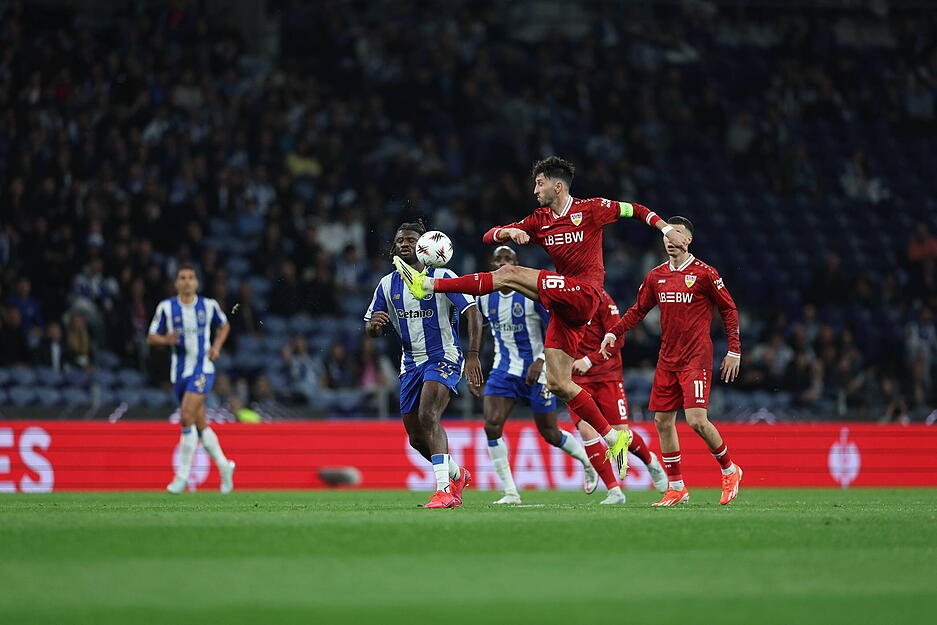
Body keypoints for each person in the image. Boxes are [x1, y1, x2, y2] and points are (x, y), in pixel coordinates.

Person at [393, 156, 689, 475]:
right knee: (560, 382)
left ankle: (430, 284)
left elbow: (636, 210)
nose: (534, 189)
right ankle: (613, 437)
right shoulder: (539, 220)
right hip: (565, 307)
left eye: (539, 183)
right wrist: (509, 232)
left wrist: (666, 228)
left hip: (587, 293)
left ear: (556, 185)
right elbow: (487, 236)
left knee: (509, 273)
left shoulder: (592, 209)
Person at [600, 217, 742, 506]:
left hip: (696, 358)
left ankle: (730, 470)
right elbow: (638, 310)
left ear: (688, 240)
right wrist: (613, 333)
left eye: (676, 233)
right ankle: (677, 487)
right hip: (667, 358)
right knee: (662, 421)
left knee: (696, 420)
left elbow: (729, 309)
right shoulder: (656, 276)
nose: (669, 238)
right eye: (666, 233)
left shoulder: (705, 274)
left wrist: (734, 350)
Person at [365, 221, 483, 509]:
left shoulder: (442, 276)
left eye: (410, 239)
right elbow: (370, 324)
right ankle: (458, 474)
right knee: (417, 438)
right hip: (410, 365)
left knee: (429, 416)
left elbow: (473, 314)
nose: (404, 244)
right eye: (400, 240)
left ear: (423, 245)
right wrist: (375, 327)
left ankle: (444, 491)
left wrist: (473, 354)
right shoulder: (387, 284)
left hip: (444, 357)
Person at [470, 245, 598, 505]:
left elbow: (555, 324)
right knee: (492, 425)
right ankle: (510, 492)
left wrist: (541, 360)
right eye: (498, 259)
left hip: (537, 372)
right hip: (503, 370)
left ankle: (586, 462)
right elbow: (479, 331)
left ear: (516, 265)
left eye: (509, 259)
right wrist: (473, 361)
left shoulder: (530, 294)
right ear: (491, 264)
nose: (503, 262)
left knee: (549, 432)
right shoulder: (484, 297)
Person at [570, 288, 669, 504]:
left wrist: (589, 360)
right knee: (587, 431)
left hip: (607, 376)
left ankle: (650, 461)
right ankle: (614, 491)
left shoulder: (604, 301)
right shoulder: (565, 298)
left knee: (620, 435)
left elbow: (618, 340)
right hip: (576, 379)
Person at [147, 263, 236, 495]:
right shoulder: (166, 308)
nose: (186, 281)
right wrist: (166, 340)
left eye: (190, 277)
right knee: (199, 423)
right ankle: (225, 467)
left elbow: (225, 325)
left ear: (196, 282)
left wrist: (216, 346)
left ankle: (182, 477)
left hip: (203, 369)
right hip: (179, 374)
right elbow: (150, 336)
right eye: (182, 277)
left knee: (185, 418)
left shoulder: (208, 305)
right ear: (176, 283)